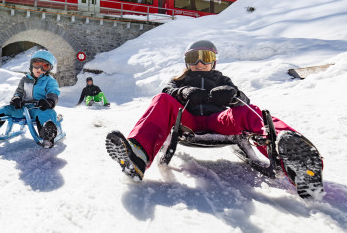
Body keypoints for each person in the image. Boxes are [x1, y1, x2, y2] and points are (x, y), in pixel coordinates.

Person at [105, 40, 324, 199]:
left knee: (250, 111)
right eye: (193, 59)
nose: (199, 63)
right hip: (188, 121)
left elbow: (244, 100)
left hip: (217, 120)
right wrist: (183, 93)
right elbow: (166, 92)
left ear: (214, 61)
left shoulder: (222, 79)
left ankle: (292, 154)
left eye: (206, 58)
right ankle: (137, 156)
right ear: (187, 62)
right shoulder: (179, 80)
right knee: (161, 100)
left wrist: (232, 95)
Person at [0, 49, 61, 148]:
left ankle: (47, 134)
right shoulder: (25, 79)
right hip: (23, 109)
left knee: (47, 113)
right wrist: (17, 98)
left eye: (45, 66)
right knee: (5, 109)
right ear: (31, 65)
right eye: (37, 64)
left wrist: (50, 101)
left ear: (49, 70)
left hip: (40, 108)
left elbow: (54, 92)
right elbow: (19, 92)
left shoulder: (49, 81)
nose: (39, 68)